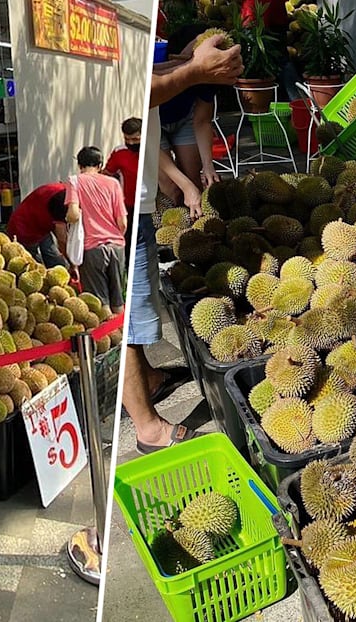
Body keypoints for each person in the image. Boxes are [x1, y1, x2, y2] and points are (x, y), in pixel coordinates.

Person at [123, 34, 243, 454]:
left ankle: (149, 379)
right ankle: (147, 429)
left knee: (136, 303)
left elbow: (198, 122)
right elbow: (133, 99)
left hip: (124, 190)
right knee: (126, 319)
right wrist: (192, 70)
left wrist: (186, 62)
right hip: (116, 192)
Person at [158, 25, 220, 204]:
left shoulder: (210, 71)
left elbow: (202, 121)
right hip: (153, 126)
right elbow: (148, 139)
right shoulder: (154, 62)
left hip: (185, 118)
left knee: (194, 179)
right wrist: (185, 187)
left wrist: (208, 165)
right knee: (172, 188)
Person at [64, 146, 127, 314]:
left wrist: (69, 219)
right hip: (116, 246)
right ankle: (122, 335)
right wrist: (116, 238)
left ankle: (108, 338)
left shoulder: (74, 181)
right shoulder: (113, 183)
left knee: (99, 302)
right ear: (100, 165)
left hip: (92, 248)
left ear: (80, 165)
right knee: (118, 300)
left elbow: (74, 214)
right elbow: (123, 222)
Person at [104, 117, 142, 258]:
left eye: (136, 139)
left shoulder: (153, 148)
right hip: (127, 204)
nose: (131, 143)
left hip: (150, 199)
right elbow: (107, 174)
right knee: (129, 239)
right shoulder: (119, 152)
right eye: (128, 139)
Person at [6, 182, 68, 268]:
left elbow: (58, 227)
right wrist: (72, 263)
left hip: (42, 227)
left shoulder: (64, 189)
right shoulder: (61, 198)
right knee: (33, 265)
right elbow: (61, 237)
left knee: (55, 259)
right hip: (24, 228)